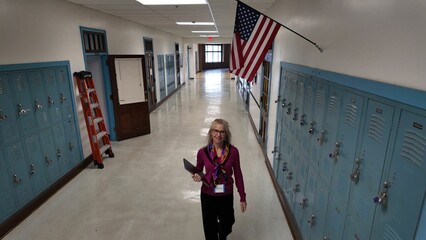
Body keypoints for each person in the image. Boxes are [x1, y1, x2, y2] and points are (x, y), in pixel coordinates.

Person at [191, 119, 247, 240]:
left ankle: (220, 231)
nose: (218, 134)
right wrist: (197, 175)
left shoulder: (233, 152)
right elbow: (199, 169)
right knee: (209, 229)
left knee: (227, 225)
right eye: (216, 131)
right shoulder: (203, 152)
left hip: (226, 194)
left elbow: (238, 174)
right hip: (208, 194)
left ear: (226, 134)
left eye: (222, 132)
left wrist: (242, 197)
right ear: (211, 132)